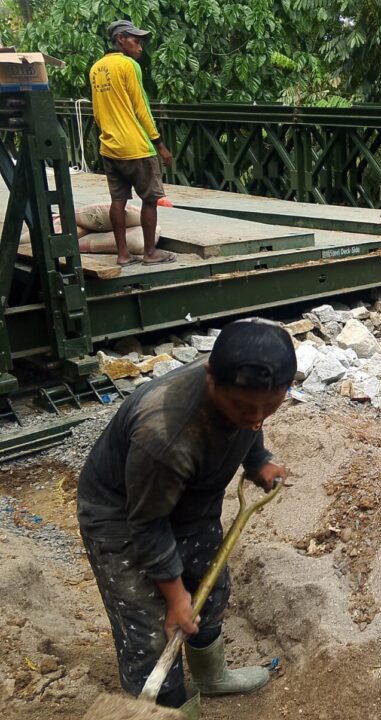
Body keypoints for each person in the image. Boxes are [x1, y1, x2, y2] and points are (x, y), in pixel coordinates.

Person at [77, 319, 296, 717]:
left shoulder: (249, 396)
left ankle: (211, 677)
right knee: (151, 633)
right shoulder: (164, 433)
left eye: (272, 404)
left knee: (210, 592)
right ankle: (171, 709)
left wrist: (258, 459)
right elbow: (146, 523)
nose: (257, 417)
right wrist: (175, 597)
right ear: (210, 376)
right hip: (123, 517)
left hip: (188, 504)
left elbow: (252, 421)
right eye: (244, 407)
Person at [89, 20, 176, 267]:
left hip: (109, 146)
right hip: (136, 146)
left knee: (118, 201)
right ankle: (150, 253)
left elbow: (97, 112)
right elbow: (141, 108)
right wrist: (159, 145)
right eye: (135, 41)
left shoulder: (96, 68)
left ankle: (123, 255)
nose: (140, 48)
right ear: (120, 40)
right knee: (150, 199)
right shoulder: (129, 65)